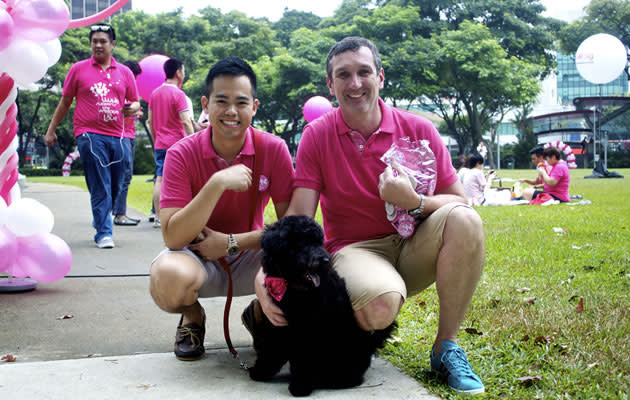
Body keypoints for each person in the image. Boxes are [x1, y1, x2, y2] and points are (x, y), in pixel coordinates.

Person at [247, 37, 485, 394]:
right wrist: (265, 278)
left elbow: (460, 202)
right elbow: (299, 217)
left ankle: (446, 348)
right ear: (331, 84)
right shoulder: (317, 135)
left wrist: (413, 200)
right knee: (377, 309)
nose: (355, 83)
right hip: (357, 250)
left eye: (363, 72)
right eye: (343, 75)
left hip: (415, 240)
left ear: (381, 76)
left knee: (466, 221)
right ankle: (338, 345)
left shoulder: (418, 129)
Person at [149, 57, 295, 361]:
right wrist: (216, 183)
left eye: (241, 102)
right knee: (167, 276)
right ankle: (192, 317)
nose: (231, 111)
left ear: (254, 107)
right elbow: (173, 238)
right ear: (205, 104)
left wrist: (230, 242)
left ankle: (259, 315)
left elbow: (293, 229)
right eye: (221, 101)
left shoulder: (273, 149)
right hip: (198, 257)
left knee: (305, 265)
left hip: (252, 255)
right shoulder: (181, 153)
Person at [44, 23, 140, 249]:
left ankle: (101, 217)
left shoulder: (124, 72)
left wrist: (133, 108)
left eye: (102, 41)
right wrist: (51, 129)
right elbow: (65, 101)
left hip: (118, 135)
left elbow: (136, 101)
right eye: (94, 41)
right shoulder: (78, 69)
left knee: (117, 183)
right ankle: (104, 233)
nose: (98, 45)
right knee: (100, 183)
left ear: (112, 44)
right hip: (88, 134)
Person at [147, 58, 194, 228]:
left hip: (160, 144)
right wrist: (193, 142)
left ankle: (159, 217)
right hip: (177, 145)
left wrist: (156, 140)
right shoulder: (179, 94)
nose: (184, 73)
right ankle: (180, 216)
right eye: (183, 70)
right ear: (178, 72)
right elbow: (186, 122)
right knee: (182, 181)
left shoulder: (155, 94)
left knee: (160, 179)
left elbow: (150, 121)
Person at [112, 60, 143, 226]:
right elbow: (118, 111)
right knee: (124, 175)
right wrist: (134, 111)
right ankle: (119, 214)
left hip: (127, 133)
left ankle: (115, 212)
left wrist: (136, 113)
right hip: (122, 135)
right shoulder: (120, 86)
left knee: (122, 175)